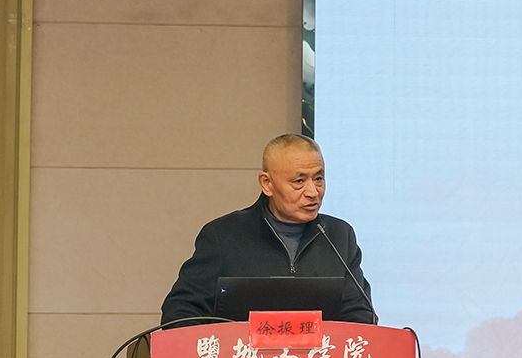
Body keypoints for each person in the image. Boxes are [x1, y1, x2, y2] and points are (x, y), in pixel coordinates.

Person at [160, 133, 377, 324]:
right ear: (267, 184)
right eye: (299, 181)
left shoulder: (339, 235)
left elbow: (360, 315)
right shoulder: (223, 236)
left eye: (318, 178)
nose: (313, 192)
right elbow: (181, 313)